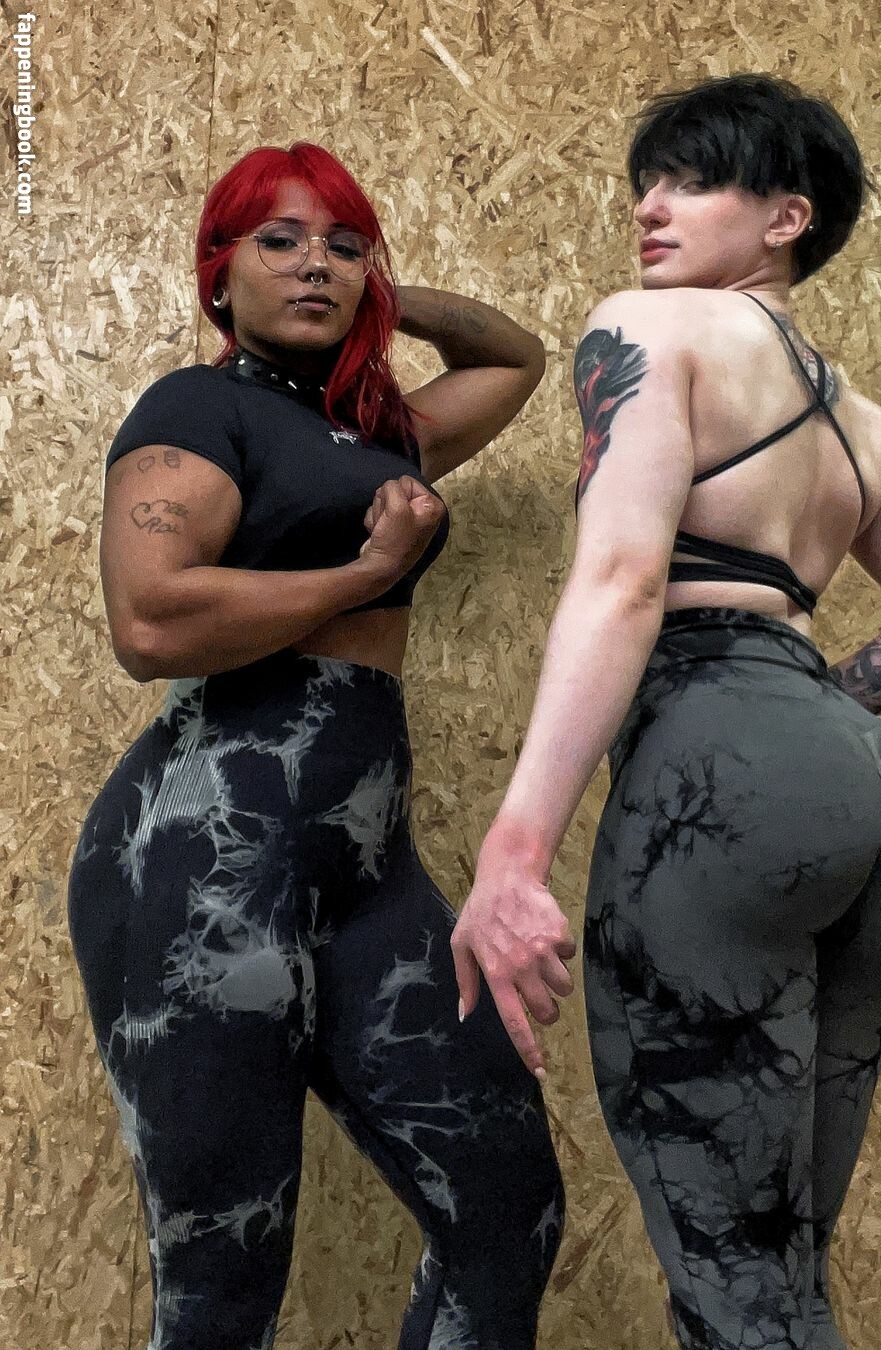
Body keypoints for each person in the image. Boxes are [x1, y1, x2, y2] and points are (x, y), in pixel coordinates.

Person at [450, 74, 881, 1348]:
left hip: (725, 774)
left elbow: (622, 579)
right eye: (646, 182)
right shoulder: (865, 424)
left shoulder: (650, 328)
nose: (650, 208)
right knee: (787, 1275)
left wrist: (515, 854)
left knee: (731, 1285)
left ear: (787, 217)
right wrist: (818, 709)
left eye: (695, 180)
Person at [66, 141, 564, 1350]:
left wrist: (382, 292)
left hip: (363, 866)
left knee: (508, 1219)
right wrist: (367, 571)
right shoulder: (197, 410)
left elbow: (514, 359)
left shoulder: (376, 433)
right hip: (209, 858)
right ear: (217, 271)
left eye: (342, 245)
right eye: (278, 241)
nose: (314, 265)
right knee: (221, 1288)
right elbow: (150, 620)